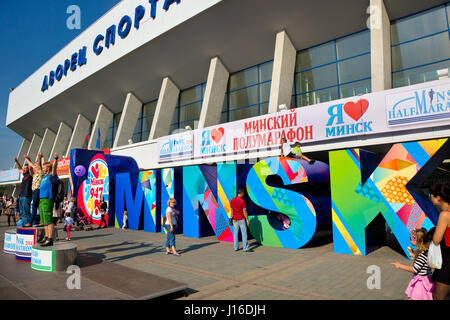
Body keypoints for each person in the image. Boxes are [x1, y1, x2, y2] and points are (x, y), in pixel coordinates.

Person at [391, 228, 434, 300]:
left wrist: (399, 265)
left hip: (420, 283)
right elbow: (423, 263)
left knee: (412, 298)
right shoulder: (424, 252)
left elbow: (414, 269)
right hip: (425, 280)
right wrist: (414, 256)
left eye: (412, 238)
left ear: (418, 240)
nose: (410, 240)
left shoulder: (421, 255)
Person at [428, 183, 450, 300]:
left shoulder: (445, 214)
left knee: (438, 297)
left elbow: (436, 240)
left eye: (431, 194)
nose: (430, 197)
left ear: (438, 197)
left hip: (447, 261)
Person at [38, 152, 59, 247]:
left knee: (49, 219)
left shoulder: (52, 176)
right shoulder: (45, 176)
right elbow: (40, 164)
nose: (43, 167)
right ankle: (46, 236)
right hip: (42, 199)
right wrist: (41, 156)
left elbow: (54, 168)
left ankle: (50, 239)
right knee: (44, 220)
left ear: (48, 168)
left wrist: (56, 159)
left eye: (44, 166)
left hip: (48, 199)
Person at [23, 153, 45, 227]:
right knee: (37, 207)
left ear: (39, 166)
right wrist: (27, 159)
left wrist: (40, 157)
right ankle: (39, 221)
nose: (34, 166)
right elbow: (30, 166)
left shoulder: (41, 172)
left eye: (36, 165)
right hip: (35, 191)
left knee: (35, 206)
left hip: (38, 190)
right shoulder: (34, 174)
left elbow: (39, 164)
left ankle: (31, 222)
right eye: (34, 165)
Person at [230, 188, 252, 252]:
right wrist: (247, 219)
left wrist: (231, 218)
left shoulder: (232, 200)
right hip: (241, 219)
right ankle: (245, 248)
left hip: (234, 219)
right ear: (242, 193)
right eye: (243, 193)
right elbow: (244, 211)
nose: (244, 194)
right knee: (244, 233)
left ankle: (236, 247)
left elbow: (231, 210)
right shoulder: (242, 201)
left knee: (235, 233)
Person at [14, 157, 33, 227]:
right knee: (22, 212)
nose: (24, 169)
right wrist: (16, 161)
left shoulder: (30, 175)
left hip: (27, 196)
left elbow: (31, 167)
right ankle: (25, 223)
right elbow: (19, 168)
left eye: (25, 168)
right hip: (21, 196)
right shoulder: (25, 175)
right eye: (24, 168)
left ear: (28, 169)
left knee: (26, 211)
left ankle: (28, 223)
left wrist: (28, 160)